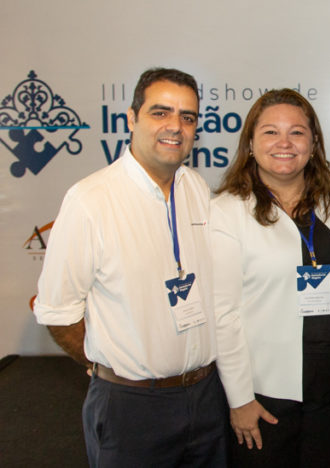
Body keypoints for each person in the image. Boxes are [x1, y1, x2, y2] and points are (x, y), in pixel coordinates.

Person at [33, 68, 228, 467]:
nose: (175, 126)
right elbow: (58, 312)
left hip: (208, 397)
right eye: (161, 112)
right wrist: (109, 367)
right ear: (131, 119)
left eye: (188, 117)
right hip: (131, 408)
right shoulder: (90, 200)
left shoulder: (196, 188)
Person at [211, 89, 330, 467]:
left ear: (313, 144)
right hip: (268, 389)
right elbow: (223, 314)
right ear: (250, 143)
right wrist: (240, 399)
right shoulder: (227, 212)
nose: (284, 143)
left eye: (296, 132)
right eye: (270, 132)